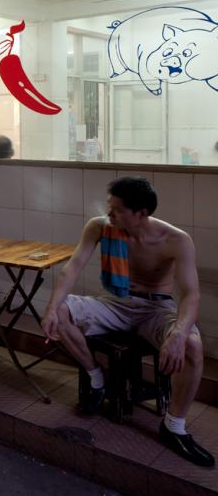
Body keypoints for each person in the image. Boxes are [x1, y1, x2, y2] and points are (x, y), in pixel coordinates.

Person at [41, 177, 213, 467]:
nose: (110, 215)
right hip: (115, 303)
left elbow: (191, 295)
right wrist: (50, 308)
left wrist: (179, 333)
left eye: (117, 210)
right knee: (60, 313)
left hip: (156, 308)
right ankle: (97, 379)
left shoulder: (176, 240)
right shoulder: (100, 227)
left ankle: (174, 426)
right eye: (110, 208)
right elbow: (72, 269)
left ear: (142, 213)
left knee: (193, 347)